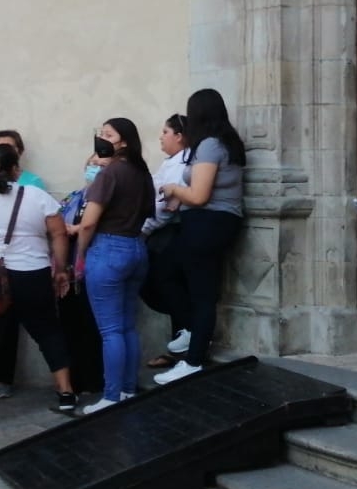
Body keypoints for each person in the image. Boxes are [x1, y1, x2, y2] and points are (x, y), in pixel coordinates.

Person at [0, 144, 75, 430]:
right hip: (31, 272)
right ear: (15, 169)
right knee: (47, 331)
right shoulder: (37, 196)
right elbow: (58, 233)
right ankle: (66, 393)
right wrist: (61, 270)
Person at [154, 90, 245, 385]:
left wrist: (173, 190)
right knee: (168, 272)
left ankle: (193, 359)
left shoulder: (209, 146)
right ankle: (192, 333)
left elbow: (199, 194)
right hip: (211, 221)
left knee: (202, 293)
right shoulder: (223, 143)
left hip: (208, 223)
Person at [70, 119, 155, 413]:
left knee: (110, 330)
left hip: (107, 250)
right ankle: (128, 389)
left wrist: (80, 255)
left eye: (109, 135)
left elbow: (89, 221)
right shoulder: (142, 173)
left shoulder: (110, 173)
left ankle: (111, 395)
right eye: (101, 134)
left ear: (124, 142)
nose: (102, 139)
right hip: (136, 247)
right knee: (127, 326)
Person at [143, 114, 189, 369]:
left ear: (179, 136)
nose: (161, 136)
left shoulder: (182, 164)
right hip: (160, 232)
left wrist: (144, 230)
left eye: (165, 131)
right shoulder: (171, 161)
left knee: (171, 288)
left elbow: (164, 208)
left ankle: (181, 349)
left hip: (169, 234)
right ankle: (177, 347)